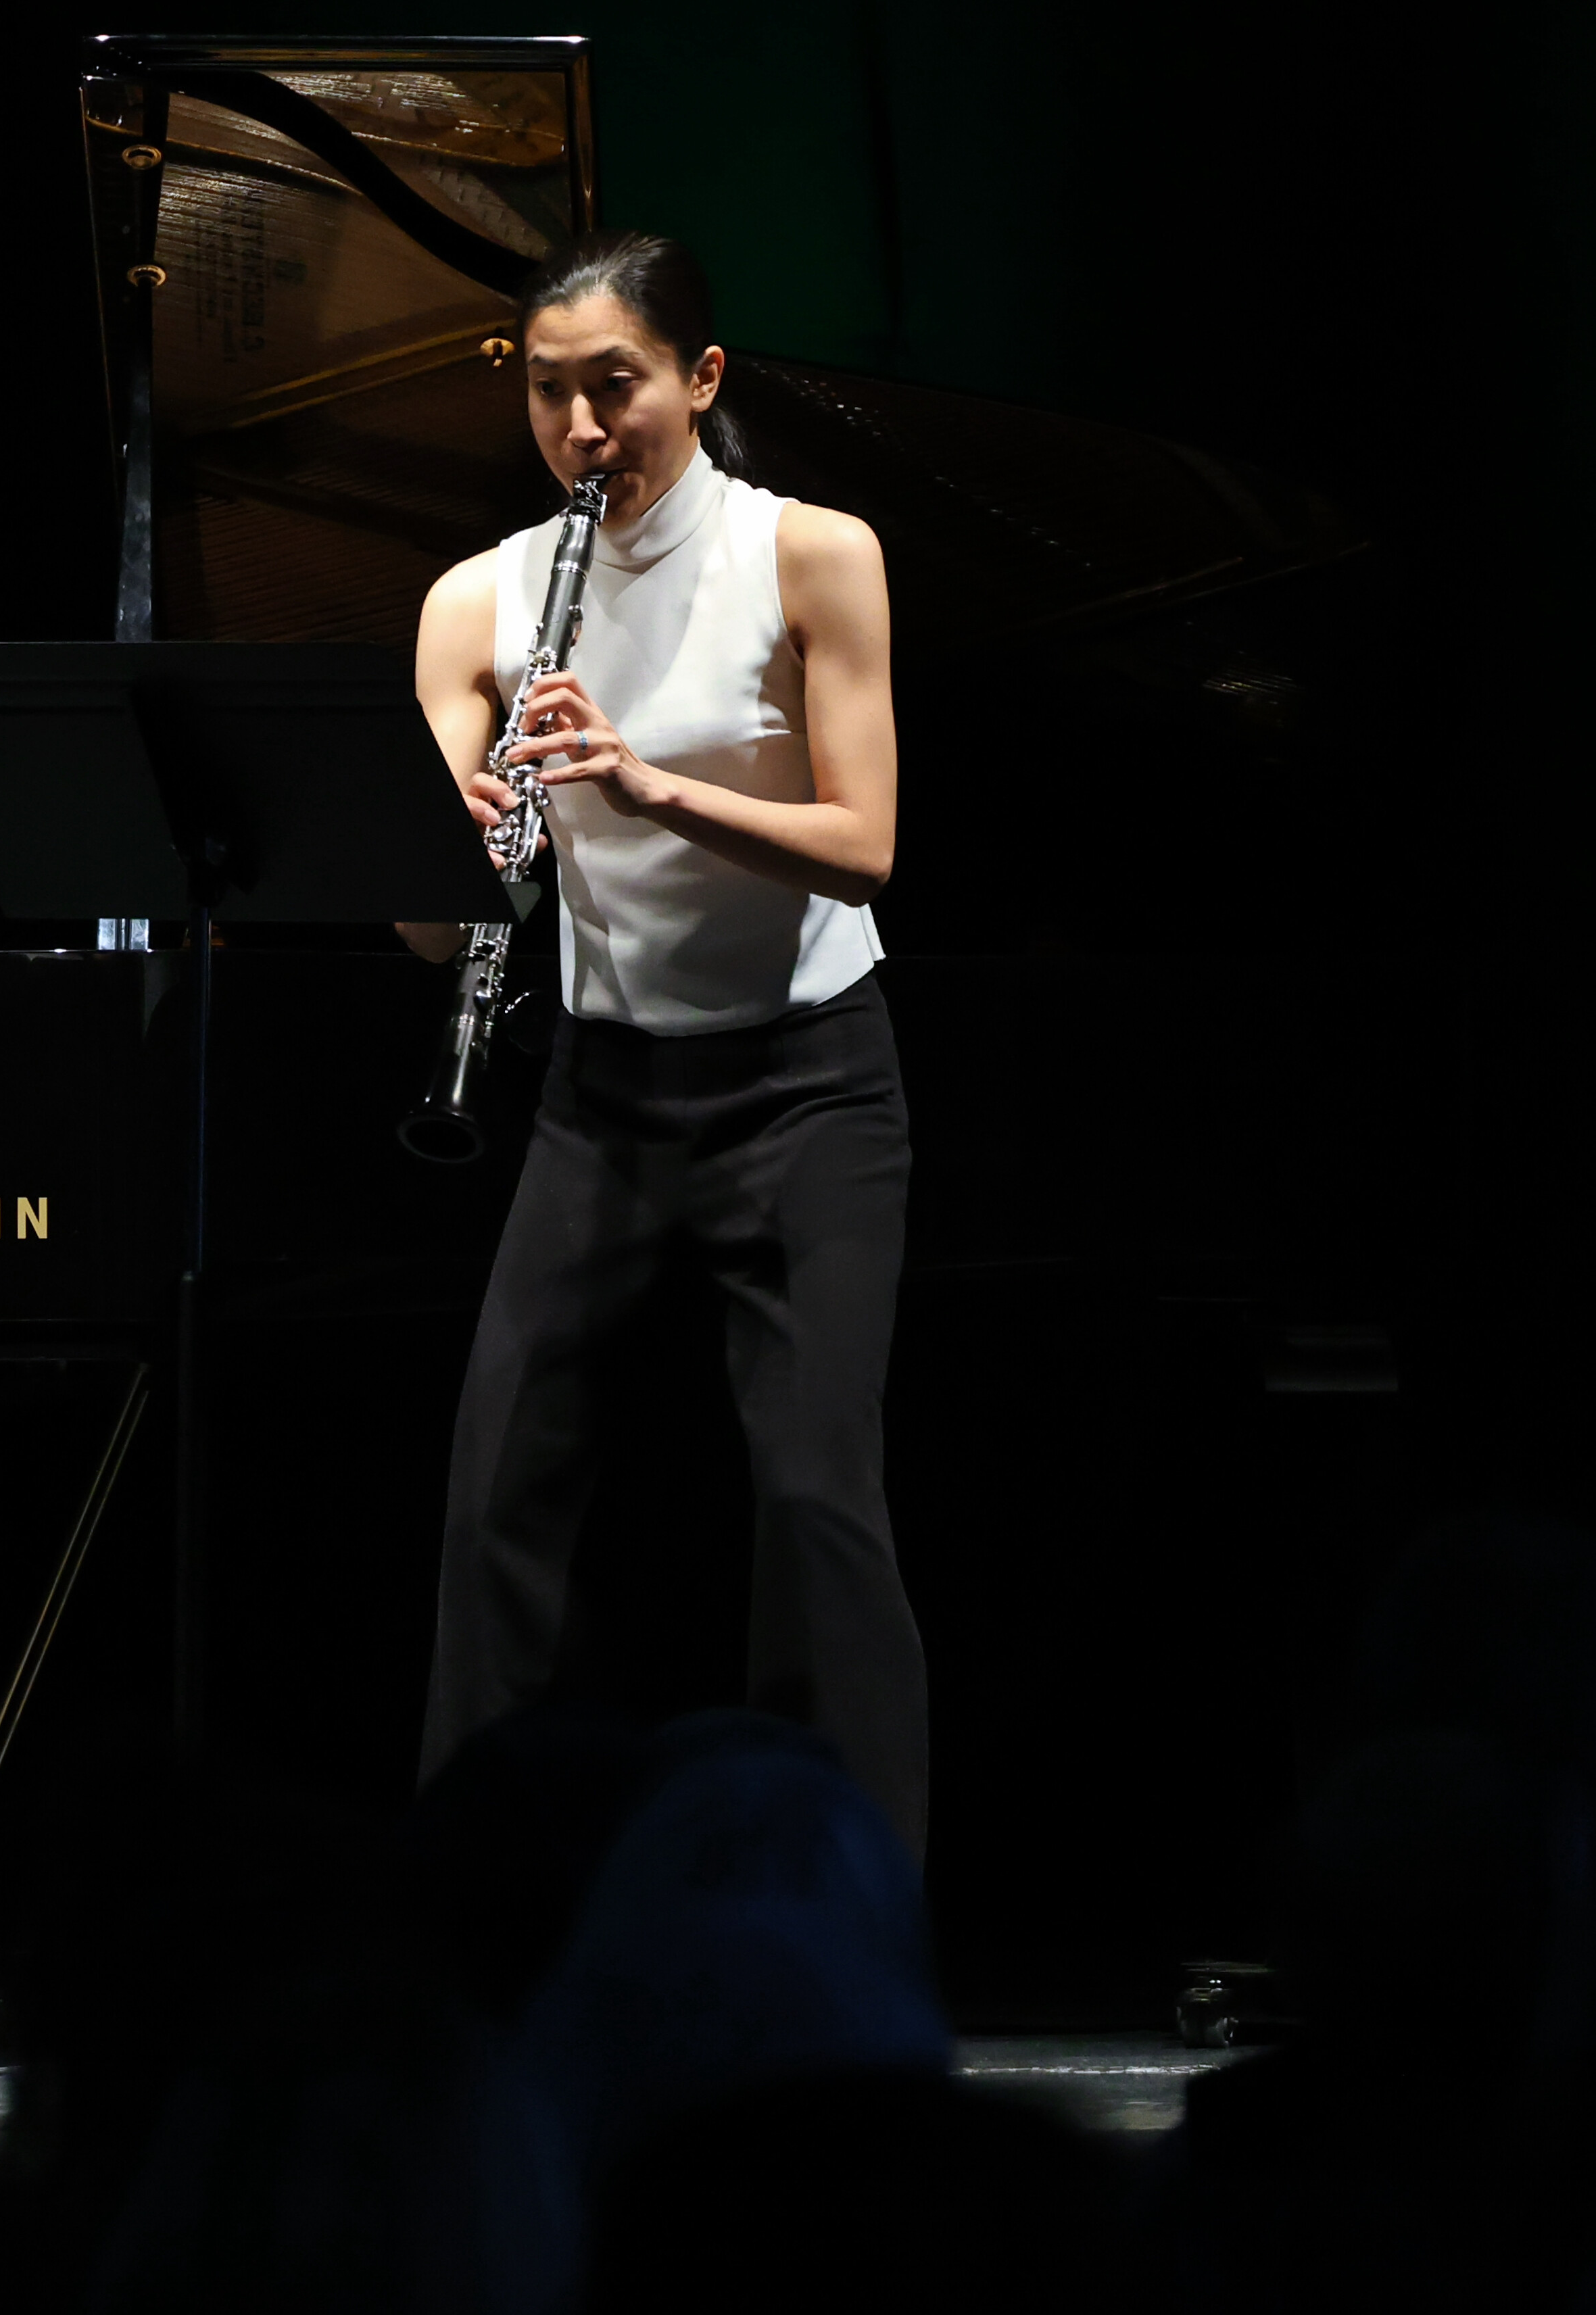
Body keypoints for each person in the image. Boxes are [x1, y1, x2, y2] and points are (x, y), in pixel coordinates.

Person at [408, 233, 927, 1857]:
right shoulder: (477, 602)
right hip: (604, 1093)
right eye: (549, 392)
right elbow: (428, 929)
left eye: (614, 385)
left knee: (817, 1500)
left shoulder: (811, 554)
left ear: (699, 380)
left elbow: (866, 847)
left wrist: (645, 787)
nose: (581, 427)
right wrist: (452, 851)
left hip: (807, 1082)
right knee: (497, 1489)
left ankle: (852, 1893)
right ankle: (474, 1892)